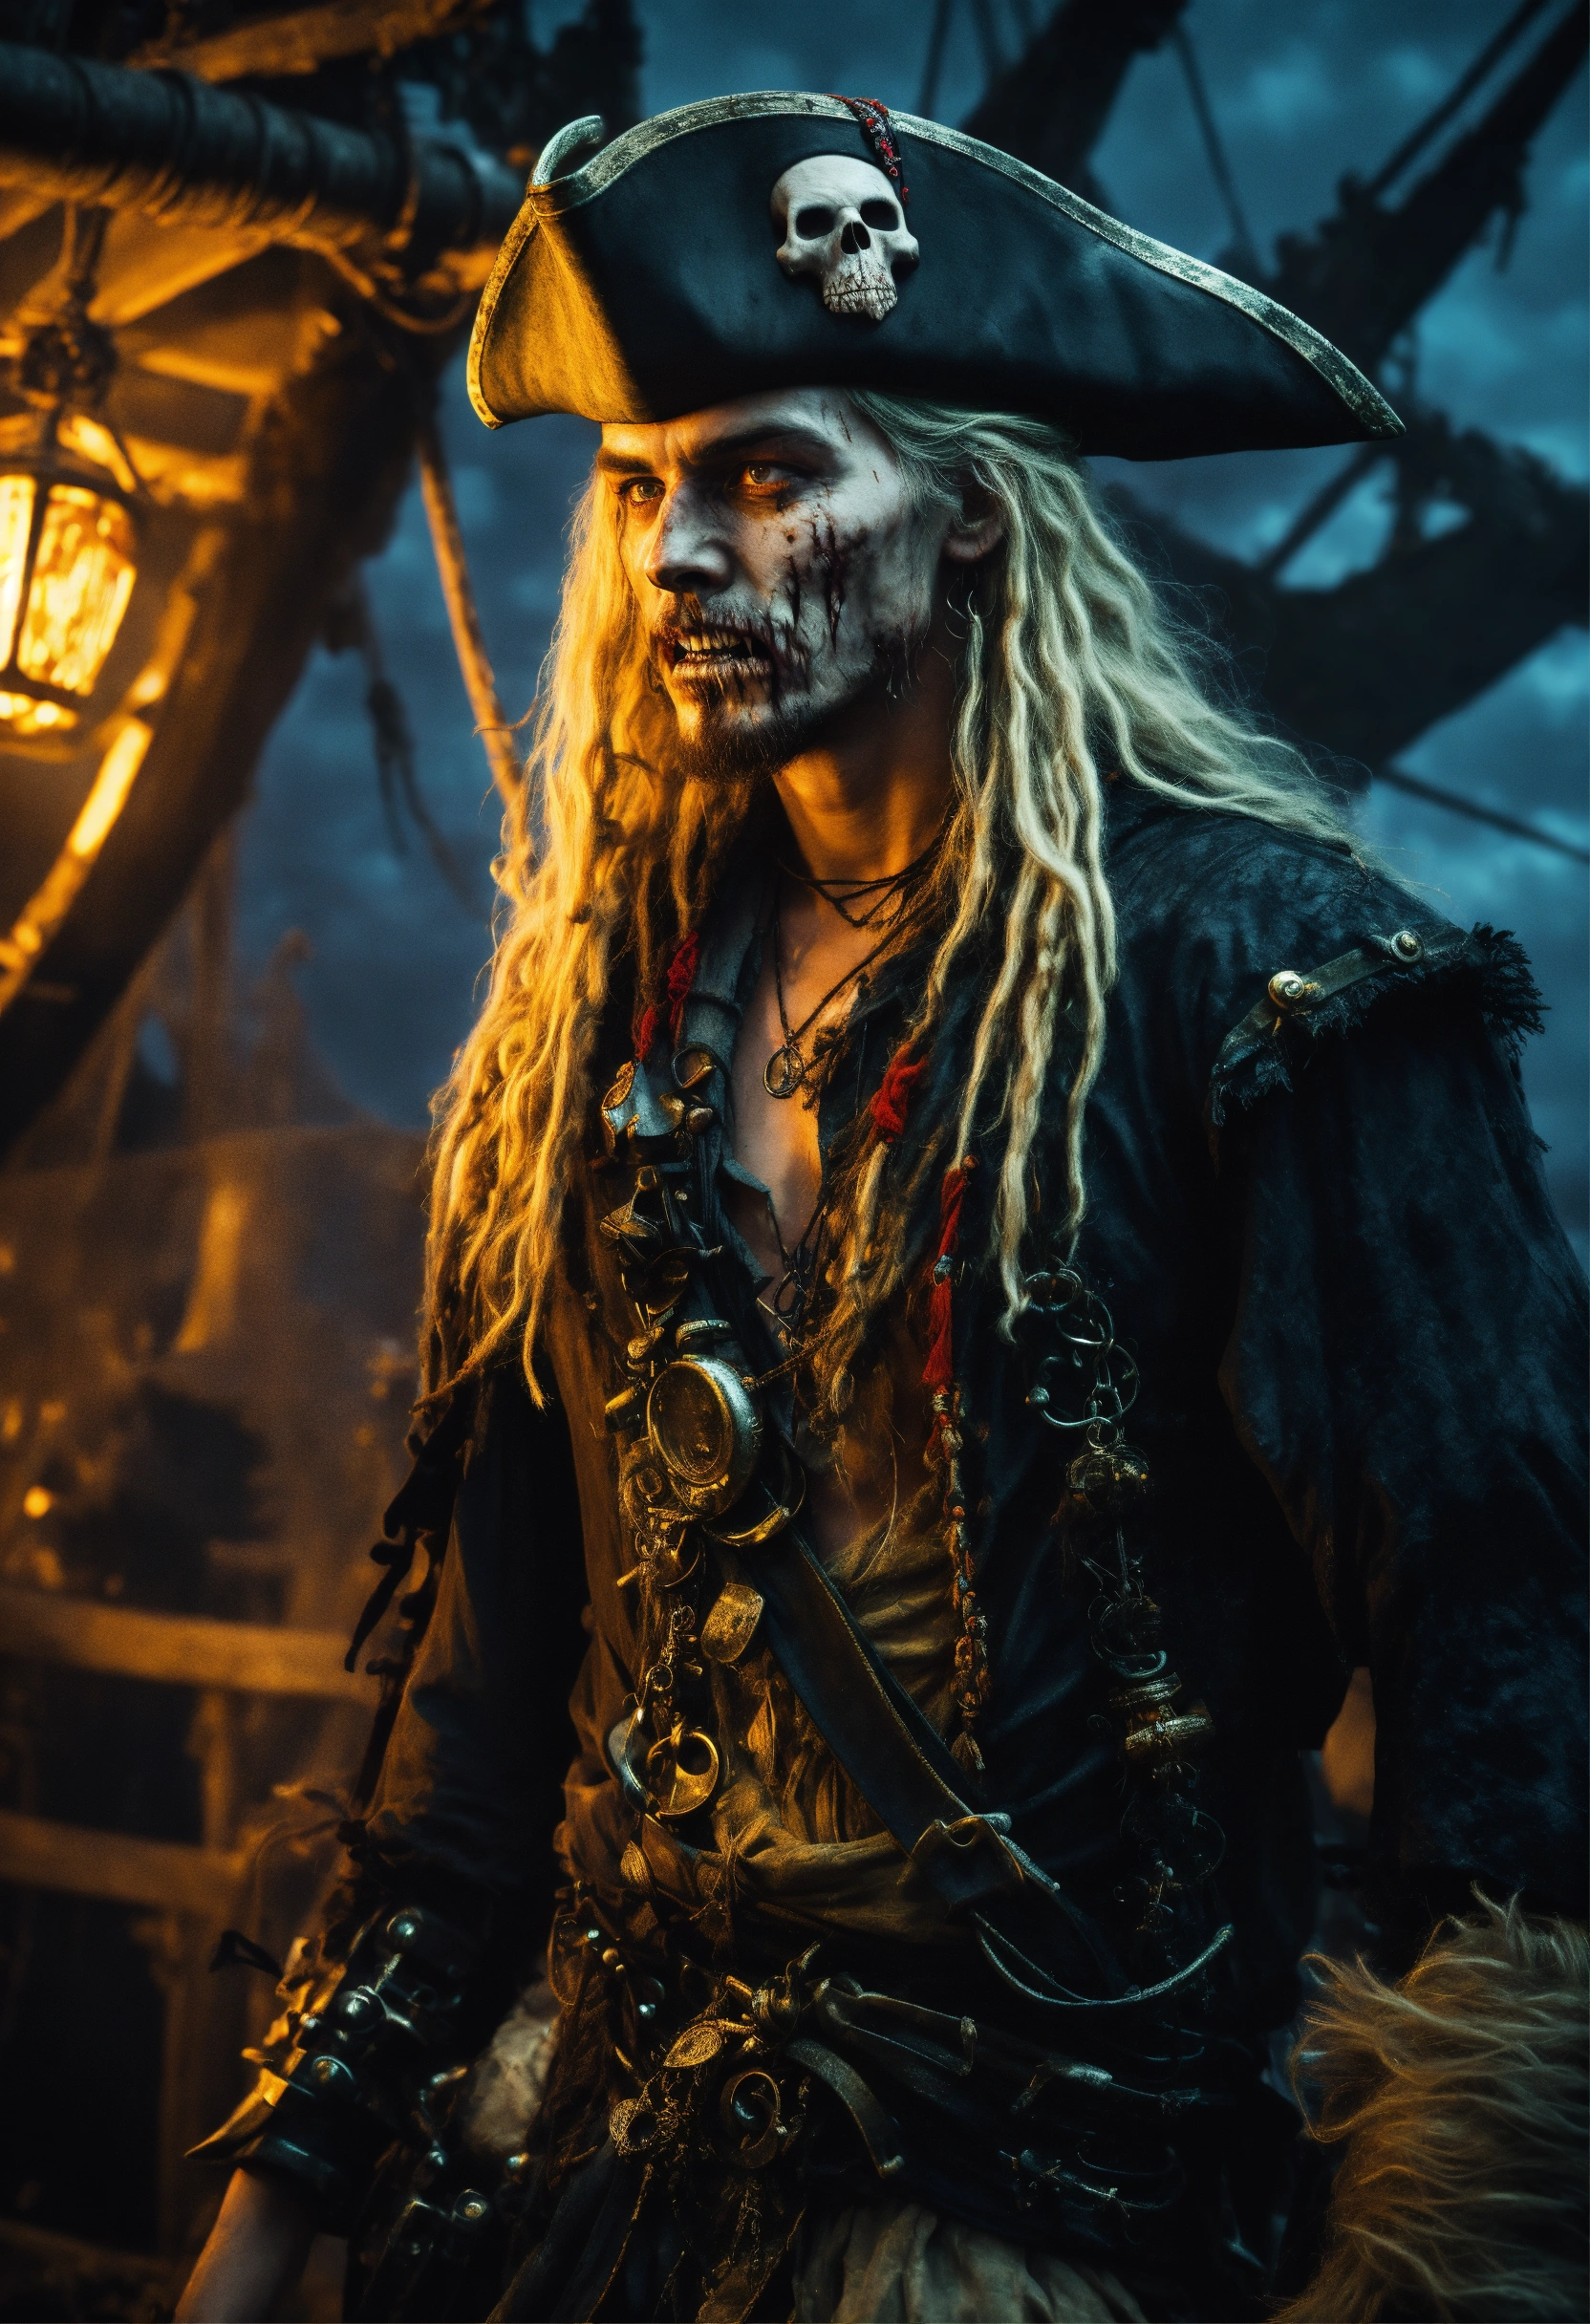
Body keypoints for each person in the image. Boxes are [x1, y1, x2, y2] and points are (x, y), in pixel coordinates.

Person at [177, 94, 1587, 2324]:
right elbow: (483, 1728)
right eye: (634, 488)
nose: (670, 554)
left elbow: (1509, 1714)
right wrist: (271, 2213)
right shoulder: (588, 1037)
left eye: (762, 475)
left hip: (1066, 2237)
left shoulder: (1272, 990)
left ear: (972, 517)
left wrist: (1443, 2266)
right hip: (597, 2211)